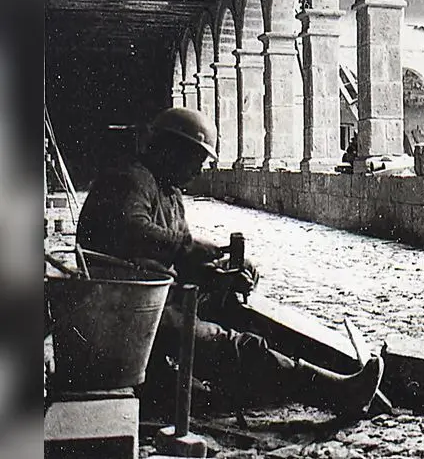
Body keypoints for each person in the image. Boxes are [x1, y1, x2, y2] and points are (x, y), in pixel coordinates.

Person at [75, 106, 383, 416]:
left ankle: (325, 374)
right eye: (197, 159)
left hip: (152, 303)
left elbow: (180, 262)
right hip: (122, 314)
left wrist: (221, 274)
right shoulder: (130, 179)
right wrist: (188, 247)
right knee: (226, 345)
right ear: (172, 149)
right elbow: (131, 230)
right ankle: (336, 393)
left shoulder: (169, 193)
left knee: (244, 317)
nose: (199, 170)